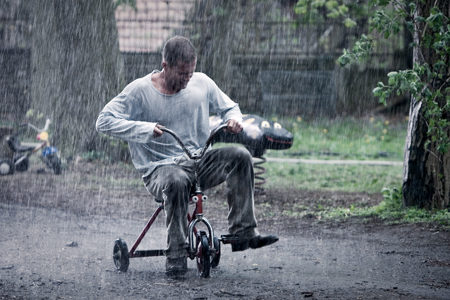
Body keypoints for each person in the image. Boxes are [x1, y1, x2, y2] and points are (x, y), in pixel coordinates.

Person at [96, 36, 278, 276]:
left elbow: (230, 107)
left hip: (198, 160)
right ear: (165, 65)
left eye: (190, 73)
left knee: (240, 156)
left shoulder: (201, 83)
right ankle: (176, 254)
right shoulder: (139, 91)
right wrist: (144, 129)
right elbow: (104, 121)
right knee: (176, 181)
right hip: (160, 169)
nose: (186, 79)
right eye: (182, 74)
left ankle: (243, 232)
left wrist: (234, 120)